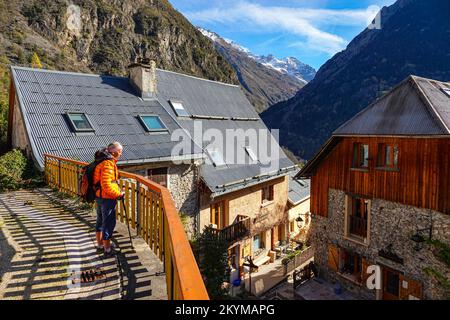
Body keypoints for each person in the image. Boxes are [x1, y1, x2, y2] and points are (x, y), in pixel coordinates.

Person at [93, 142, 125, 256]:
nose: (121, 154)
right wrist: (118, 194)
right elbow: (106, 184)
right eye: (120, 151)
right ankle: (107, 249)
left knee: (100, 220)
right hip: (107, 198)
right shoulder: (108, 163)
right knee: (108, 222)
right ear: (114, 152)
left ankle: (100, 244)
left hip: (100, 196)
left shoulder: (102, 161)